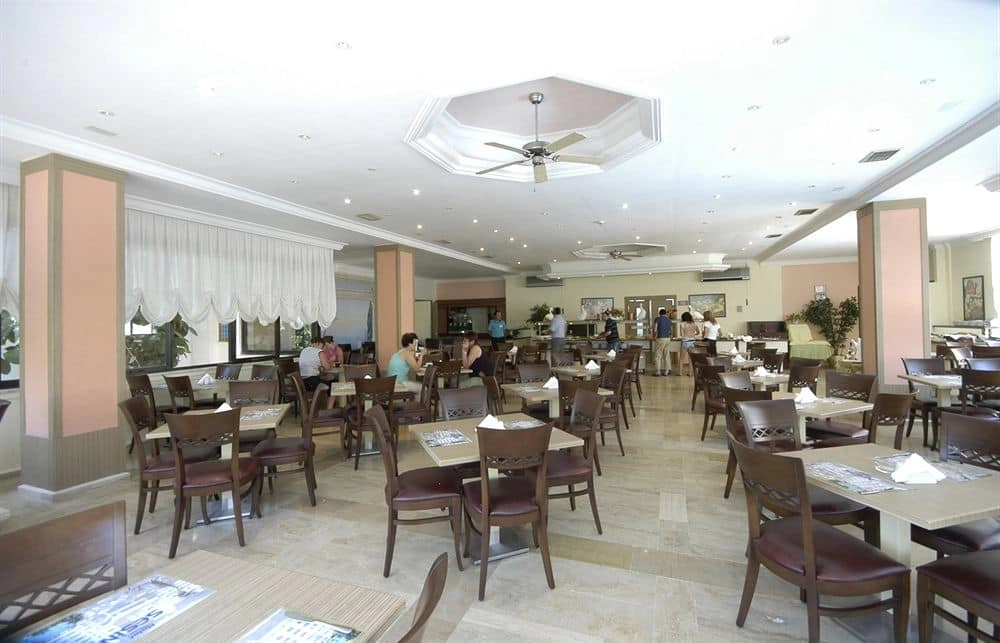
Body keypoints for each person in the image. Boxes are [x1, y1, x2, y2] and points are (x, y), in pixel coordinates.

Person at [651, 307, 673, 376]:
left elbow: (655, 329)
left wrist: (654, 336)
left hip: (660, 338)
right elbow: (671, 330)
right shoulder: (669, 320)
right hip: (668, 339)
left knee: (658, 355)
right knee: (667, 355)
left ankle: (658, 371)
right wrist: (670, 336)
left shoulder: (658, 319)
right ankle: (667, 371)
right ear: (665, 314)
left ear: (659, 314)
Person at [678, 311, 700, 376]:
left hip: (685, 341)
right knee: (690, 359)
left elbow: (681, 334)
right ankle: (690, 373)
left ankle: (680, 373)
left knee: (681, 358)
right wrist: (693, 334)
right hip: (692, 341)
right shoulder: (694, 324)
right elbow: (698, 332)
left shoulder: (682, 324)